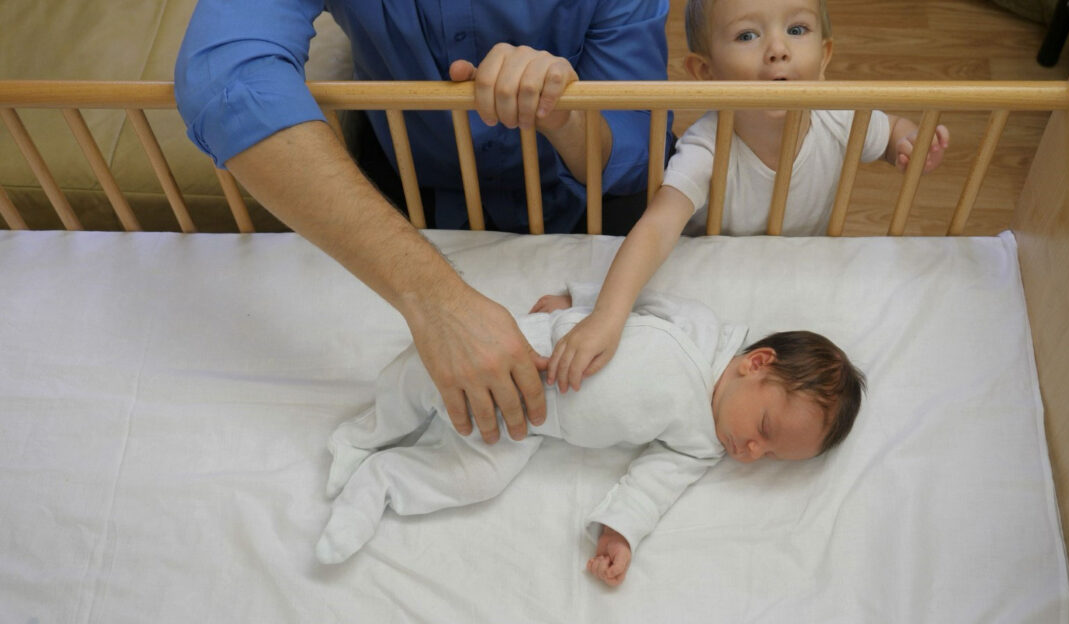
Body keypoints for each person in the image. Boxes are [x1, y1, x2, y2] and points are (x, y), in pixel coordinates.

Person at [173, 1, 670, 445]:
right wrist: (436, 301)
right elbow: (226, 78)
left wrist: (563, 114)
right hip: (402, 177)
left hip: (578, 192)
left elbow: (632, 146)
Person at [315, 283, 865, 587]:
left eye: (768, 456)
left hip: (530, 425)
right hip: (526, 351)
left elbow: (654, 485)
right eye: (763, 430)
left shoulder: (701, 443)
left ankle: (381, 482)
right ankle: (362, 436)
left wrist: (620, 533)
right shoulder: (695, 329)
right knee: (420, 378)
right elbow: (628, 297)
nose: (750, 452)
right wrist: (572, 301)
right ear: (757, 363)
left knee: (478, 478)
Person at [541, 0, 951, 393]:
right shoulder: (707, 147)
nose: (777, 50)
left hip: (796, 273)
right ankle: (585, 300)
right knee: (662, 323)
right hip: (714, 281)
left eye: (796, 29)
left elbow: (887, 131)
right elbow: (657, 228)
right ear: (705, 71)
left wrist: (907, 141)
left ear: (825, 57)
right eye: (747, 35)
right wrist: (608, 318)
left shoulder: (840, 116)